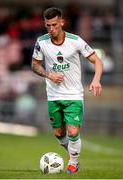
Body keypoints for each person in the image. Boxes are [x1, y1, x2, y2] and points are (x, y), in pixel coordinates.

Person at [31, 7, 103, 174]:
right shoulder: (41, 42)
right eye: (48, 25)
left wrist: (96, 79)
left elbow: (97, 60)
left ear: (62, 22)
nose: (51, 29)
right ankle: (72, 153)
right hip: (53, 95)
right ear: (45, 24)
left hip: (73, 95)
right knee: (59, 133)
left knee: (73, 131)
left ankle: (73, 163)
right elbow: (35, 65)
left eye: (54, 25)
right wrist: (49, 74)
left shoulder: (75, 41)